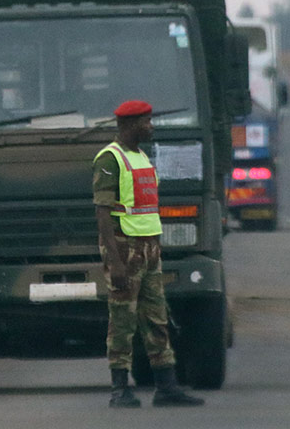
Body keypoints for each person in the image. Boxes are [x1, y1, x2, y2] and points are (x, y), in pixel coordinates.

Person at [93, 100, 204, 408]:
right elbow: (102, 213)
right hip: (124, 249)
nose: (151, 126)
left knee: (157, 318)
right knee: (123, 320)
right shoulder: (109, 159)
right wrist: (114, 261)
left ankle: (166, 387)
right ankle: (119, 389)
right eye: (146, 121)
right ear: (130, 125)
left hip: (149, 249)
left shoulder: (140, 157)